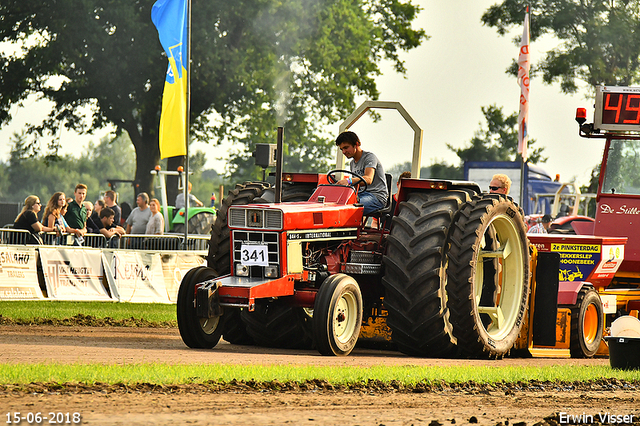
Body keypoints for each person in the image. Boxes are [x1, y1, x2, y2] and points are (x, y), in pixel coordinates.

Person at [334, 131, 388, 215]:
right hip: (361, 195)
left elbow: (368, 179)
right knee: (336, 204)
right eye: (342, 149)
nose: (343, 152)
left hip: (376, 197)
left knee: (350, 208)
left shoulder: (369, 157)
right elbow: (356, 186)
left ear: (356, 144)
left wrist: (348, 181)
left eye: (346, 147)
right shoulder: (352, 163)